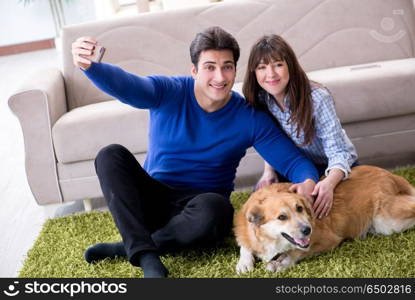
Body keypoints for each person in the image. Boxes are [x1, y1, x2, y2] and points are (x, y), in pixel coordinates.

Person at [71, 27, 319, 278]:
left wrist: (309, 181)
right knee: (110, 155)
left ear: (235, 69)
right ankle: (147, 257)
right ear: (194, 70)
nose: (220, 77)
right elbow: (129, 86)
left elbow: (294, 161)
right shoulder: (169, 91)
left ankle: (129, 246)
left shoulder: (249, 117)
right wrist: (91, 67)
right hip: (152, 201)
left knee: (216, 207)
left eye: (227, 66)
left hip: (203, 213)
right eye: (210, 67)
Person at [243, 34, 358, 220]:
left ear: (290, 66)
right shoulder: (261, 100)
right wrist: (269, 171)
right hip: (297, 167)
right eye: (262, 67)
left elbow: (338, 152)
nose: (271, 74)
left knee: (327, 214)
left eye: (278, 64)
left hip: (333, 166)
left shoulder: (318, 97)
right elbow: (270, 140)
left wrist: (328, 184)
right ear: (254, 73)